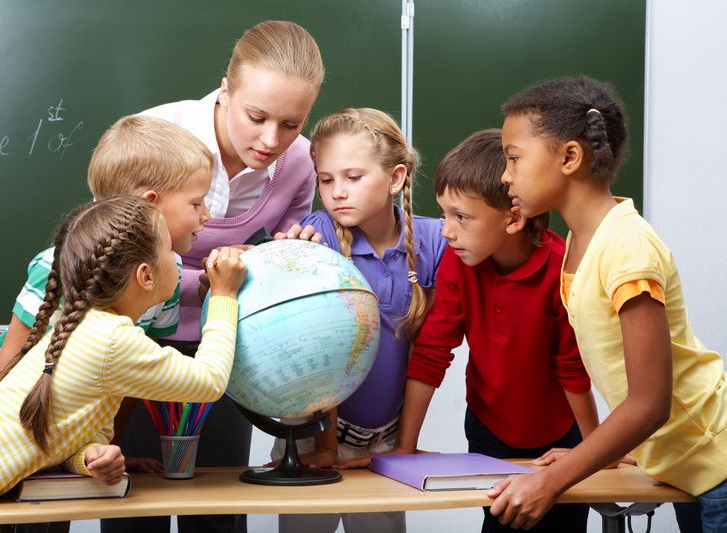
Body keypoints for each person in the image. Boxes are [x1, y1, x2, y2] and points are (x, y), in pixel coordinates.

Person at [0, 115, 213, 533]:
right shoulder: (57, 266)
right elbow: (9, 364)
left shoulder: (167, 278)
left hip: (61, 446)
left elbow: (126, 384)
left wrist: (107, 448)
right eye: (197, 203)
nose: (207, 215)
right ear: (151, 205)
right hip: (3, 440)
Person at [0, 196, 246, 533]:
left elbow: (55, 433)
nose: (178, 260)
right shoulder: (112, 339)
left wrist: (89, 458)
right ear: (146, 276)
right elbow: (209, 382)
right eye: (170, 251)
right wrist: (225, 295)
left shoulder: (88, 328)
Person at [492, 76, 727, 532]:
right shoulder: (585, 242)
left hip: (715, 463)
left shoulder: (626, 246)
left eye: (514, 158)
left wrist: (555, 480)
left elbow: (649, 403)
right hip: (689, 468)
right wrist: (599, 450)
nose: (506, 175)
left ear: (570, 158)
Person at [122, 19, 324, 533]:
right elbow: (116, 263)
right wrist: (209, 284)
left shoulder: (300, 162)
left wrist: (290, 260)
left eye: (292, 123)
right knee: (131, 504)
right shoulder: (154, 139)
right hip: (138, 343)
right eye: (256, 116)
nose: (271, 139)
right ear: (225, 89)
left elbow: (269, 255)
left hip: (228, 342)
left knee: (217, 505)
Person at [391, 129, 596, 532]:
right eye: (444, 213)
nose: (446, 231)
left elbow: (572, 368)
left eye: (461, 217)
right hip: (489, 431)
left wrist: (594, 450)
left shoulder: (561, 269)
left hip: (559, 436)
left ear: (514, 218)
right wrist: (404, 447)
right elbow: (431, 353)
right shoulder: (458, 262)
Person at [270, 108, 446, 533]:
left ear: (396, 178)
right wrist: (328, 446)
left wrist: (404, 446)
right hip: (315, 435)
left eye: (353, 177)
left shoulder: (434, 240)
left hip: (385, 442)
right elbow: (320, 351)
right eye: (326, 180)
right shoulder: (318, 237)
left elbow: (432, 350)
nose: (337, 193)